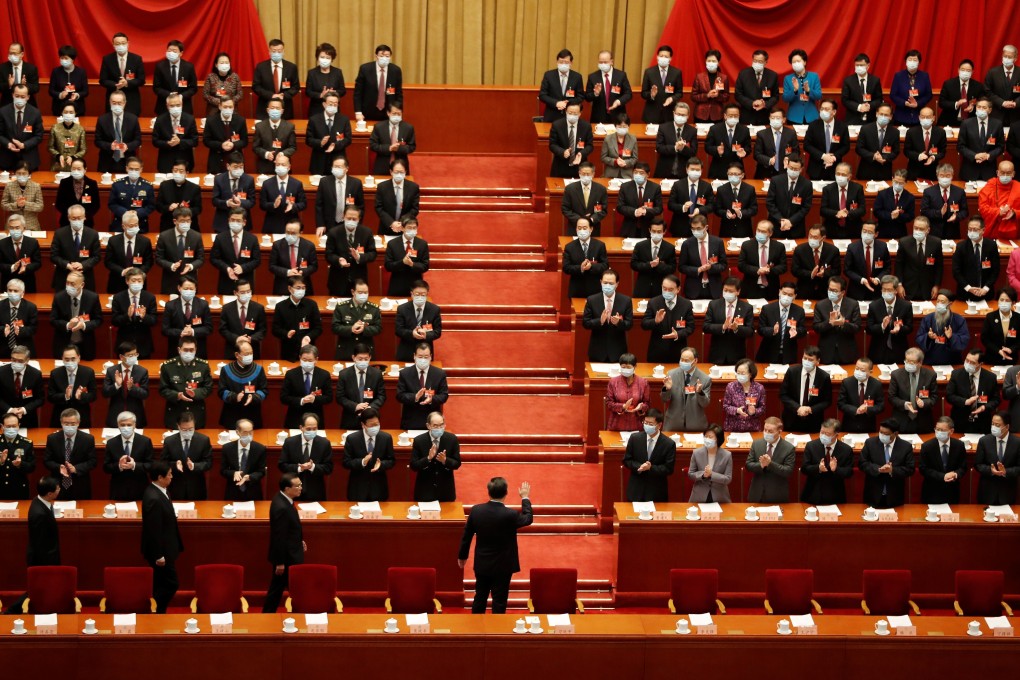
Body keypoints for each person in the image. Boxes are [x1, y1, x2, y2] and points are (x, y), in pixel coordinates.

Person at [459, 477, 533, 614]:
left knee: (479, 598)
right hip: (503, 566)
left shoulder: (476, 511)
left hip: (483, 563)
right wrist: (525, 498)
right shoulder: (510, 515)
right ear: (506, 493)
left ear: (489, 492)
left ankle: (475, 630)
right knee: (499, 601)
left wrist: (462, 556)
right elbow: (528, 519)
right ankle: (497, 632)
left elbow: (467, 536)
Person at [141, 461, 181, 614]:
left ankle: (159, 611)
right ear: (160, 477)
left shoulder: (161, 490)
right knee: (172, 583)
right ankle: (159, 610)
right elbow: (153, 530)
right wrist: (159, 555)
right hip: (161, 552)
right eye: (169, 475)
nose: (172, 477)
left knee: (161, 582)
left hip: (167, 546)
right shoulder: (154, 498)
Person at [263, 473, 306, 613]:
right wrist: (280, 562)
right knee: (280, 590)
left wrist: (299, 540)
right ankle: (268, 615)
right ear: (287, 488)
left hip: (291, 552)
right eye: (297, 486)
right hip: (287, 558)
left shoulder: (284, 499)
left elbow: (289, 529)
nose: (301, 488)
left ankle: (268, 614)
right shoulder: (281, 506)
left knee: (279, 589)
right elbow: (278, 537)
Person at [158, 337, 212, 429]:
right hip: (175, 412)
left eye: (191, 350)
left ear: (196, 350)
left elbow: (208, 388)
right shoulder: (168, 366)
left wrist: (196, 393)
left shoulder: (203, 366)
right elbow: (163, 389)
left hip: (196, 412)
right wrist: (177, 395)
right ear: (179, 350)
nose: (188, 353)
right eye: (186, 350)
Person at [623, 409, 676, 502]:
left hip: (657, 492)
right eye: (645, 422)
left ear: (659, 425)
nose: (647, 426)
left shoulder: (669, 444)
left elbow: (669, 469)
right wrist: (639, 466)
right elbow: (627, 460)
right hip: (636, 490)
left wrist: (651, 468)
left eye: (650, 424)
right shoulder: (635, 438)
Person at [860, 418, 914, 508]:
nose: (882, 435)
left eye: (886, 434)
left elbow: (910, 469)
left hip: (895, 495)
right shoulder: (870, 443)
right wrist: (878, 469)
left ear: (896, 433)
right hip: (873, 494)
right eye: (881, 432)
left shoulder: (906, 447)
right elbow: (862, 463)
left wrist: (892, 470)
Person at [342, 408, 394, 501]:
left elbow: (391, 460)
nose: (375, 427)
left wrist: (381, 464)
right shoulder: (352, 439)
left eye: (377, 424)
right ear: (363, 425)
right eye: (371, 425)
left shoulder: (386, 438)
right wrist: (362, 462)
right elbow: (346, 462)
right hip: (358, 488)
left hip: (379, 488)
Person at [279, 414, 333, 502]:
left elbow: (328, 468)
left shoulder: (324, 443)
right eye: (308, 429)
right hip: (292, 491)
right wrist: (299, 468)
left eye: (314, 429)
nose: (312, 431)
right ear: (301, 427)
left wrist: (312, 467)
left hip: (316, 491)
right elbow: (282, 465)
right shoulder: (290, 442)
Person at [43, 409, 96, 500]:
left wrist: (76, 468)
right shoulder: (52, 438)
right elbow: (47, 460)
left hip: (80, 484)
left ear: (78, 423)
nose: (69, 426)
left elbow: (93, 461)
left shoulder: (88, 439)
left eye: (73, 424)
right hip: (57, 484)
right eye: (66, 424)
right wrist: (59, 467)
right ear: (61, 423)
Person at [582, 269, 632, 362]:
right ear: (600, 282)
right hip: (597, 351)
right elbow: (585, 323)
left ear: (617, 284)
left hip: (618, 351)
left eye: (611, 283)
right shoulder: (592, 300)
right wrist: (599, 321)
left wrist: (619, 323)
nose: (607, 286)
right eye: (605, 282)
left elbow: (629, 324)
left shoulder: (626, 301)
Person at [50, 270, 103, 360]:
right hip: (64, 343)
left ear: (82, 285)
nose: (69, 286)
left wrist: (84, 325)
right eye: (67, 283)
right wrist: (67, 325)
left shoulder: (92, 297)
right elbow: (53, 320)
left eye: (73, 284)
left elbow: (99, 320)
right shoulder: (59, 297)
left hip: (85, 344)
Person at [800, 418, 854, 505]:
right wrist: (818, 468)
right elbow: (804, 469)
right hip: (813, 494)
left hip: (836, 495)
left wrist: (836, 469)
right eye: (822, 432)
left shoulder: (846, 450)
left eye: (827, 434)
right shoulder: (811, 446)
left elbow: (849, 472)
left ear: (836, 435)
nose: (823, 436)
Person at [410, 412, 461, 502]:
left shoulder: (452, 439)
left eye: (441, 425)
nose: (439, 428)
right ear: (428, 426)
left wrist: (445, 460)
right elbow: (413, 466)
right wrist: (428, 458)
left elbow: (457, 463)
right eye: (435, 426)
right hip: (424, 490)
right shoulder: (419, 441)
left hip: (445, 491)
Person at [323, 203, 374, 294]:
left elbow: (372, 253)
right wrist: (338, 260)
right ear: (343, 217)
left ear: (359, 219)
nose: (351, 221)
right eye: (348, 218)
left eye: (354, 219)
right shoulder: (333, 232)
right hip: (338, 281)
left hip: (359, 281)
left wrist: (359, 257)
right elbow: (328, 254)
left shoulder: (367, 232)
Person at [642, 274, 693, 364]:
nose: (667, 292)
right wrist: (655, 321)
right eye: (664, 289)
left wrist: (678, 334)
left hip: (678, 351)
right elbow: (644, 324)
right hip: (657, 351)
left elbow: (690, 327)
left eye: (670, 290)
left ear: (678, 289)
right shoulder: (654, 302)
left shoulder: (686, 304)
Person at [397, 344, 449, 430]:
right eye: (420, 356)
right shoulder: (405, 373)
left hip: (433, 421)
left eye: (426, 357)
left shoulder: (439, 374)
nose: (423, 360)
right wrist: (415, 397)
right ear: (414, 356)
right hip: (411, 420)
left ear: (430, 357)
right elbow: (400, 395)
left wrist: (432, 399)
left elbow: (444, 395)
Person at [947, 350, 1000, 435]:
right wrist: (965, 401)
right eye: (967, 360)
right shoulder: (956, 374)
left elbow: (996, 399)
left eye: (972, 362)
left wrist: (984, 407)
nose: (968, 364)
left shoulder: (990, 378)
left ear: (981, 364)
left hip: (982, 422)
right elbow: (949, 396)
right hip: (960, 421)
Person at [780, 346, 832, 433]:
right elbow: (783, 395)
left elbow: (827, 401)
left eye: (811, 360)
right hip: (792, 418)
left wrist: (810, 409)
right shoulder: (792, 371)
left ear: (818, 361)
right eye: (805, 358)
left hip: (814, 421)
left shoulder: (824, 377)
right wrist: (798, 408)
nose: (807, 361)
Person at [280, 344, 333, 428]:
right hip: (295, 418)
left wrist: (315, 399)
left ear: (316, 360)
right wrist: (301, 400)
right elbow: (283, 398)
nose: (307, 362)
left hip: (316, 418)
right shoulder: (291, 374)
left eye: (310, 360)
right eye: (304, 359)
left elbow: (329, 397)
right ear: (300, 358)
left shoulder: (324, 375)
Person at [161, 412, 212, 500]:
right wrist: (174, 465)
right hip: (176, 487)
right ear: (178, 426)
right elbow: (163, 463)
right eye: (184, 430)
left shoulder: (203, 440)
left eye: (191, 429)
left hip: (196, 488)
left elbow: (208, 463)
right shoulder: (169, 441)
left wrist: (194, 466)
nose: (188, 432)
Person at [103, 411, 153, 500]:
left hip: (139, 486)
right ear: (118, 425)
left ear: (134, 425)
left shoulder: (145, 442)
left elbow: (150, 465)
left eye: (129, 425)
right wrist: (119, 466)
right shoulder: (111, 443)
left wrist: (134, 465)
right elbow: (106, 467)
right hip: (118, 488)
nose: (126, 428)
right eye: (123, 425)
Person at [888, 348, 938, 435]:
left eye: (912, 362)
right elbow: (891, 397)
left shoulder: (930, 375)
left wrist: (924, 403)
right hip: (901, 419)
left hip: (923, 421)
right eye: (907, 361)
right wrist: (904, 404)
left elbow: (934, 397)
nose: (908, 364)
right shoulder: (896, 375)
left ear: (920, 363)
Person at [210, 207, 261, 294]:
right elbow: (214, 258)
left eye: (238, 220)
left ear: (244, 222)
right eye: (232, 220)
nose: (235, 223)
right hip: (226, 283)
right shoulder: (220, 238)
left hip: (246, 284)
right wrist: (227, 268)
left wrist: (243, 268)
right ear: (228, 220)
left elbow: (257, 260)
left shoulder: (252, 239)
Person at [703, 277, 753, 363]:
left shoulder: (747, 308)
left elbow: (750, 331)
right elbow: (706, 327)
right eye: (725, 290)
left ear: (738, 292)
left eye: (731, 291)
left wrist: (736, 328)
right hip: (717, 354)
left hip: (737, 355)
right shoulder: (714, 305)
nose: (727, 293)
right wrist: (723, 327)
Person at [660, 346, 710, 433]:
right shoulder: (671, 374)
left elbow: (705, 403)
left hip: (696, 425)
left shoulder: (705, 378)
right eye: (681, 359)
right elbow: (664, 399)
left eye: (686, 360)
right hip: (673, 424)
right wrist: (666, 389)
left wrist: (700, 392)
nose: (683, 362)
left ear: (695, 361)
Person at [218, 341, 267, 429]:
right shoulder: (226, 369)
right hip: (231, 414)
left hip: (252, 414)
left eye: (251, 353)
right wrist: (235, 397)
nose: (250, 356)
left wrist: (254, 397)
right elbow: (221, 391)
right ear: (237, 355)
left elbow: (264, 390)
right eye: (246, 354)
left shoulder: (259, 369)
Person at [111, 267, 158, 358]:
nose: (136, 283)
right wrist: (127, 316)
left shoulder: (150, 297)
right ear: (127, 281)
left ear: (143, 282)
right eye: (133, 280)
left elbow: (154, 321)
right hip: (124, 343)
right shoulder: (118, 297)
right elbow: (114, 320)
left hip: (144, 344)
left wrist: (144, 317)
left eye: (139, 280)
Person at [272, 276, 322, 362]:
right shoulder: (281, 306)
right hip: (288, 351)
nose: (301, 290)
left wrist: (308, 337)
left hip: (308, 351)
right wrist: (286, 333)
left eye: (303, 288)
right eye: (298, 288)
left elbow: (318, 328)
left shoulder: (312, 305)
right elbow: (275, 329)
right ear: (290, 288)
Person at [746, 417, 796, 503]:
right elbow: (748, 465)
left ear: (779, 432)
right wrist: (761, 465)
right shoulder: (756, 444)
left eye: (770, 431)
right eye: (765, 430)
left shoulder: (788, 448)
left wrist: (770, 464)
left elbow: (788, 471)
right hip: (757, 493)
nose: (767, 433)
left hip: (777, 494)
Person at [338, 343, 386, 430]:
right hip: (350, 419)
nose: (363, 361)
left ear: (370, 358)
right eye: (360, 359)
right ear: (353, 358)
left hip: (371, 420)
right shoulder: (344, 374)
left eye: (366, 359)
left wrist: (370, 408)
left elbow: (381, 396)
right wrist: (355, 406)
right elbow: (340, 397)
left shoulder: (377, 374)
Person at [154, 208, 204, 293]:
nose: (186, 223)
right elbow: (158, 258)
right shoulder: (164, 236)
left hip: (190, 281)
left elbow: (201, 259)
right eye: (182, 221)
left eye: (188, 221)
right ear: (175, 221)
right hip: (170, 281)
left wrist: (191, 266)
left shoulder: (196, 236)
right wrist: (171, 265)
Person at [867, 275, 914, 364]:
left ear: (896, 290)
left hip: (899, 349)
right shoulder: (874, 306)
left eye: (889, 290)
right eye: (884, 289)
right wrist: (882, 326)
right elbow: (869, 329)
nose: (886, 292)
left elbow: (910, 327)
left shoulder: (906, 306)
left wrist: (900, 328)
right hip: (878, 351)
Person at [919, 416, 967, 504]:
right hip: (932, 492)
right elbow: (923, 469)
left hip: (952, 492)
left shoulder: (959, 445)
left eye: (943, 430)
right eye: (937, 429)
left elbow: (963, 467)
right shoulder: (927, 446)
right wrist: (943, 476)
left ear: (951, 431)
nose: (939, 432)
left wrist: (955, 474)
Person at [813, 276, 861, 364]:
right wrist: (830, 323)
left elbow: (857, 327)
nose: (831, 292)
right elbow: (816, 327)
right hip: (826, 351)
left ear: (842, 292)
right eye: (829, 289)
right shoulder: (820, 305)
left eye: (834, 291)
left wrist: (843, 324)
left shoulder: (853, 304)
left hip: (847, 351)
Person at [975, 411, 1020, 505]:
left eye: (997, 425)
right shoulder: (984, 441)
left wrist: (1005, 472)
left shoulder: (1017, 443)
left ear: (1007, 427)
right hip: (987, 491)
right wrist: (991, 471)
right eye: (992, 424)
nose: (993, 427)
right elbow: (978, 464)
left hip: (1007, 492)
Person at [915, 289, 970, 365]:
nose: (939, 304)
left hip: (953, 361)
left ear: (950, 304)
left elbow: (964, 340)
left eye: (942, 302)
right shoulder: (928, 318)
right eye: (938, 301)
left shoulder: (959, 320)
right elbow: (919, 338)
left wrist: (951, 337)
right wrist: (928, 337)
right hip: (931, 360)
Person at [46, 345, 97, 427]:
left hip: (81, 416)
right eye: (67, 359)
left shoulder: (88, 372)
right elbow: (50, 396)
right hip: (60, 416)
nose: (70, 362)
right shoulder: (55, 373)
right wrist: (65, 396)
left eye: (73, 359)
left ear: (79, 358)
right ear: (62, 359)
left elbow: (93, 395)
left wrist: (81, 396)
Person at [161, 276, 211, 358]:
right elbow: (165, 329)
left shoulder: (203, 304)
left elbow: (209, 328)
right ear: (179, 288)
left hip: (198, 351)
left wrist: (193, 331)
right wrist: (181, 332)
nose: (189, 291)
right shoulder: (170, 306)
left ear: (195, 289)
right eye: (186, 288)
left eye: (191, 289)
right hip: (176, 351)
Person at [756, 281, 805, 365]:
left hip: (788, 354)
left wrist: (796, 332)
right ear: (779, 292)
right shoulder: (767, 309)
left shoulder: (799, 311)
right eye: (784, 293)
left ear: (794, 297)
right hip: (768, 353)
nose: (786, 297)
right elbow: (760, 329)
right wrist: (772, 330)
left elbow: (803, 330)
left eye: (790, 295)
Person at [765, 153, 812, 238]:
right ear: (787, 165)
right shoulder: (776, 181)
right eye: (791, 168)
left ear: (801, 169)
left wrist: (791, 221)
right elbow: (770, 202)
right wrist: (781, 220)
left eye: (796, 169)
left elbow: (806, 207)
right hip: (776, 226)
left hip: (796, 227)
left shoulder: (807, 184)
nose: (793, 170)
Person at [953, 217, 1000, 302]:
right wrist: (969, 288)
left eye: (975, 229)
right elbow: (956, 271)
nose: (971, 232)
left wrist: (985, 288)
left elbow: (995, 270)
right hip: (965, 294)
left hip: (986, 294)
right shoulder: (961, 247)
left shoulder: (991, 246)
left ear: (983, 230)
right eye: (969, 229)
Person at [105, 212, 154, 294]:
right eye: (131, 226)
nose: (134, 228)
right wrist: (122, 271)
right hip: (117, 282)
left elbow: (149, 262)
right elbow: (108, 262)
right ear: (123, 226)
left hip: (138, 282)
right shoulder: (113, 241)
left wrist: (136, 273)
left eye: (136, 225)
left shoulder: (145, 242)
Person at [101, 339, 148, 424]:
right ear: (122, 357)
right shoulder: (111, 371)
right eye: (130, 356)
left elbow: (145, 394)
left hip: (136, 416)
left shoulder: (142, 371)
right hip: (115, 415)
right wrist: (116, 385)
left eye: (135, 354)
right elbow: (105, 393)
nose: (134, 357)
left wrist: (132, 388)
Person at [353, 45, 403, 123]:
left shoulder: (395, 70)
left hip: (388, 112)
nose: (384, 58)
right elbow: (358, 93)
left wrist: (397, 111)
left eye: (387, 56)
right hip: (368, 112)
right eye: (381, 56)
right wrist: (358, 112)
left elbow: (399, 94)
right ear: (376, 56)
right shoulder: (365, 69)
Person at [334, 279, 383, 359]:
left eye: (366, 293)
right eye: (360, 293)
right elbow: (335, 327)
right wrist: (351, 329)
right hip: (346, 350)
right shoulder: (341, 307)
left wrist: (365, 329)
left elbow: (378, 328)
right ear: (353, 292)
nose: (363, 295)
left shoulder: (374, 308)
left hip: (366, 352)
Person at [738, 219, 786, 300]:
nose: (760, 233)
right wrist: (757, 270)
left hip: (771, 288)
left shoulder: (779, 247)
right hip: (751, 286)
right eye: (758, 230)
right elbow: (741, 265)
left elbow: (783, 267)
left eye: (763, 231)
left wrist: (770, 270)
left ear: (770, 233)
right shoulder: (747, 245)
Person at [896, 217, 942, 301]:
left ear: (928, 230)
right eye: (915, 228)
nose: (917, 231)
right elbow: (899, 266)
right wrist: (899, 284)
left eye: (921, 229)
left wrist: (936, 285)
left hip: (928, 288)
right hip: (908, 287)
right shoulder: (904, 242)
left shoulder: (936, 243)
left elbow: (939, 266)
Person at [958, 98, 1004, 181]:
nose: (981, 109)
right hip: (970, 169)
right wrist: (974, 156)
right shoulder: (966, 123)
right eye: (979, 107)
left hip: (989, 170)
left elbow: (1000, 146)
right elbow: (960, 146)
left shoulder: (997, 124)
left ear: (990, 110)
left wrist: (988, 155)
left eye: (984, 107)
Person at [268, 217, 318, 294]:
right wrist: (288, 272)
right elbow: (272, 266)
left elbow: (314, 266)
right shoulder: (277, 245)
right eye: (288, 232)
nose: (290, 235)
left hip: (303, 286)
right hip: (282, 286)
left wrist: (302, 272)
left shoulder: (309, 246)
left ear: (301, 232)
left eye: (293, 233)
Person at [218, 280, 267, 360]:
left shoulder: (258, 308)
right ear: (235, 293)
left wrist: (251, 339)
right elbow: (223, 329)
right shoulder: (227, 308)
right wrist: (237, 338)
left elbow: (263, 330)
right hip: (232, 350)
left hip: (252, 351)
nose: (246, 294)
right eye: (243, 292)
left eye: (248, 291)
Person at [252, 39, 300, 119]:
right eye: (274, 51)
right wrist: (271, 95)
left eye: (279, 51)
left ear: (283, 52)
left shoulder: (291, 67)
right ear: (269, 52)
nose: (276, 53)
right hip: (265, 107)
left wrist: (284, 95)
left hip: (285, 108)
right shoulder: (261, 67)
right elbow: (256, 86)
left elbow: (295, 87)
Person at [99, 33, 145, 115]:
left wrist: (127, 83)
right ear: (113, 44)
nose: (121, 46)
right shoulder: (107, 59)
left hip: (131, 100)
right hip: (113, 99)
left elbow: (141, 80)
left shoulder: (136, 59)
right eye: (117, 44)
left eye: (123, 43)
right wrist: (116, 84)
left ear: (128, 43)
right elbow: (103, 80)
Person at [95, 91, 141, 173]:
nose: (116, 105)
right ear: (110, 103)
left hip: (127, 160)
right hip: (107, 161)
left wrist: (127, 146)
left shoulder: (133, 119)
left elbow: (138, 140)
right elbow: (97, 141)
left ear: (124, 103)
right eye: (114, 103)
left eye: (119, 103)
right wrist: (109, 145)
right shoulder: (102, 119)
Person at [307, 92, 352, 176]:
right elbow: (308, 139)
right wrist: (320, 142)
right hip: (319, 161)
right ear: (324, 104)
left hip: (338, 159)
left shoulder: (344, 120)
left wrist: (335, 145)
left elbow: (348, 139)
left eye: (335, 104)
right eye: (330, 104)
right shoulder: (314, 120)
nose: (333, 106)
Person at [666, 157, 714, 237]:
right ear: (687, 169)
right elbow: (670, 204)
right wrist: (683, 207)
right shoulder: (677, 185)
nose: (695, 171)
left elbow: (711, 206)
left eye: (697, 169)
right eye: (692, 169)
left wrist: (699, 210)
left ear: (701, 171)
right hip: (680, 226)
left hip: (700, 227)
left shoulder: (706, 186)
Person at [394, 280, 440, 361]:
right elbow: (398, 330)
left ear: (427, 294)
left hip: (425, 351)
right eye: (417, 294)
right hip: (406, 349)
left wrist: (426, 335)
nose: (420, 297)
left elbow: (437, 331)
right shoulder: (402, 309)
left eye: (423, 294)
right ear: (411, 294)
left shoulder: (434, 309)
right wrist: (412, 333)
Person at [804, 99, 849, 181]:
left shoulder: (842, 127)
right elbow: (807, 145)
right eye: (822, 109)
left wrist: (834, 157)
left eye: (827, 109)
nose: (823, 111)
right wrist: (823, 156)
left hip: (835, 168)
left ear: (834, 112)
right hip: (816, 168)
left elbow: (846, 146)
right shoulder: (813, 125)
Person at [562, 217, 608, 298]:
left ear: (591, 229)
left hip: (595, 290)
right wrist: (580, 268)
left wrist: (592, 266)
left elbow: (605, 265)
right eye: (579, 228)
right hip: (577, 290)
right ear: (576, 229)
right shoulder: (569, 247)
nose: (582, 230)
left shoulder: (600, 245)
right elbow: (566, 268)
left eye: (584, 228)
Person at [0, 85, 42, 172]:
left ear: (28, 97)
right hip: (8, 159)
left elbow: (39, 136)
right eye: (17, 96)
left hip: (29, 159)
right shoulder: (3, 111)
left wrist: (24, 145)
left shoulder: (35, 113)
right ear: (12, 95)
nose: (19, 99)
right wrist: (8, 144)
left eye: (23, 97)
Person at [107, 157, 155, 233]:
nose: (134, 171)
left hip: (140, 224)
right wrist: (125, 212)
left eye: (136, 169)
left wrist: (137, 213)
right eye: (131, 169)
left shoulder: (147, 186)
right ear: (126, 169)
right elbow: (112, 204)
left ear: (141, 169)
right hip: (120, 223)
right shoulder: (117, 184)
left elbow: (151, 206)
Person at [844, 220, 889, 301]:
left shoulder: (883, 247)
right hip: (856, 291)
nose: (866, 234)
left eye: (870, 232)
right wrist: (861, 280)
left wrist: (878, 279)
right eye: (864, 231)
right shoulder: (852, 248)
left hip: (877, 292)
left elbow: (887, 268)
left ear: (876, 234)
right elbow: (847, 270)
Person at [260, 154, 306, 234]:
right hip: (272, 223)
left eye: (283, 165)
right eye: (278, 165)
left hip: (291, 224)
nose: (280, 167)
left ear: (289, 167)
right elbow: (262, 204)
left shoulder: (297, 184)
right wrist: (273, 205)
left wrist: (293, 206)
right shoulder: (267, 184)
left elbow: (303, 204)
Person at [792, 224, 840, 300]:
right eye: (810, 236)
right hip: (805, 289)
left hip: (825, 291)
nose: (811, 239)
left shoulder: (833, 251)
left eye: (815, 237)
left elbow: (837, 271)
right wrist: (810, 274)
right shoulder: (800, 250)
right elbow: (795, 270)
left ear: (823, 238)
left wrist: (825, 274)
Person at [151, 94, 198, 172]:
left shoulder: (189, 119)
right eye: (172, 106)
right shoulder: (160, 120)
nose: (175, 108)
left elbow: (195, 141)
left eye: (178, 105)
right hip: (166, 161)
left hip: (184, 159)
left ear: (182, 105)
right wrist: (167, 143)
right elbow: (155, 141)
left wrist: (180, 142)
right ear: (167, 106)